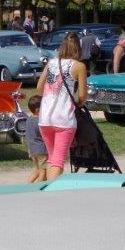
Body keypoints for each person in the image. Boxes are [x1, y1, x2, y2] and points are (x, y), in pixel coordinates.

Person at [35, 32, 88, 181]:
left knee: (52, 158)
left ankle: (47, 187)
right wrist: (77, 104)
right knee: (58, 160)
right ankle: (52, 190)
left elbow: (39, 89)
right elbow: (82, 96)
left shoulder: (51, 63)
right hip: (64, 119)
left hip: (45, 118)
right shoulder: (79, 66)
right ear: (78, 48)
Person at [25, 95, 47, 183]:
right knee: (44, 171)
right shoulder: (40, 121)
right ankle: (38, 187)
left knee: (38, 170)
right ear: (38, 110)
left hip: (32, 150)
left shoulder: (28, 120)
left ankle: (27, 185)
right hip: (41, 151)